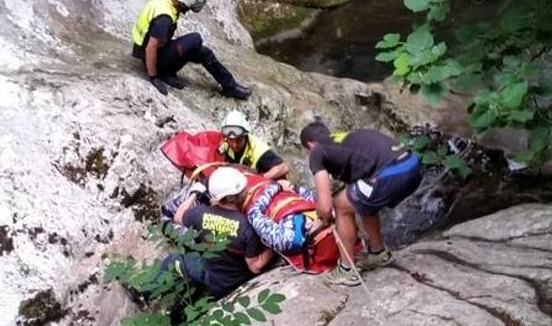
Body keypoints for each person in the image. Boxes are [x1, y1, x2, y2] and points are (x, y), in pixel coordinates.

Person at [300, 121, 422, 286]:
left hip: (391, 173)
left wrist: (321, 219)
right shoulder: (344, 139)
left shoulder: (317, 151)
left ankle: (346, 269)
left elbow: (326, 206)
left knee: (341, 206)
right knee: (360, 200)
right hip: (412, 164)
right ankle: (378, 253)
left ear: (309, 145)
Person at [161, 167, 275, 298]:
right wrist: (271, 246)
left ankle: (143, 291)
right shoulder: (245, 226)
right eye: (242, 190)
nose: (247, 190)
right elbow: (255, 266)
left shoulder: (200, 214)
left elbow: (177, 216)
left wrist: (194, 193)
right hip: (237, 280)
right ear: (231, 198)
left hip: (213, 275)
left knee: (175, 259)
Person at [131, 0, 251, 99]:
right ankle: (164, 72)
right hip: (150, 57)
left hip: (153, 51)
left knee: (204, 53)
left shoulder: (164, 0)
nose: (188, 10)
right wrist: (153, 77)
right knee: (195, 39)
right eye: (188, 7)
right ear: (182, 1)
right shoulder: (164, 18)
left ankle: (230, 87)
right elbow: (150, 48)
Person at [219, 110, 289, 180]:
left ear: (245, 136)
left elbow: (283, 168)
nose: (235, 144)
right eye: (231, 140)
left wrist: (258, 179)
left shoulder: (258, 149)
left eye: (239, 139)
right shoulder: (223, 143)